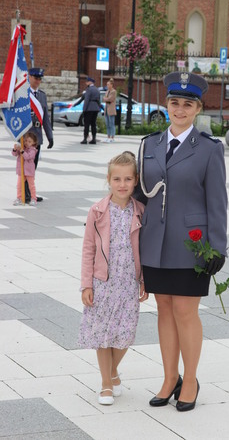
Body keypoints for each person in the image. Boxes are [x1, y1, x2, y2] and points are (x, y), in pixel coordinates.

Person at [136, 72, 228, 412]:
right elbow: (139, 194)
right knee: (163, 309)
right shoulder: (150, 144)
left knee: (186, 312)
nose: (180, 108)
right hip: (155, 243)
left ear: (198, 108)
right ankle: (169, 377)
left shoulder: (208, 149)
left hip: (192, 245)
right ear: (166, 105)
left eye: (187, 104)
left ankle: (190, 380)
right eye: (175, 102)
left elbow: (217, 202)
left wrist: (217, 246)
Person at [78, 151, 148, 406]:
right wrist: (86, 284)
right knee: (103, 335)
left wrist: (144, 281)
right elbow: (88, 248)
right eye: (117, 179)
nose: (122, 184)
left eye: (128, 179)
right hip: (103, 283)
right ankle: (106, 384)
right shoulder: (97, 212)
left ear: (135, 180)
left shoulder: (140, 211)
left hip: (129, 283)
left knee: (125, 334)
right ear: (109, 179)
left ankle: (113, 371)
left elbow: (146, 249)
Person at [28, 67, 54, 203]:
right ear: (30, 77)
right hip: (26, 137)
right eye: (36, 78)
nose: (38, 81)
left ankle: (31, 192)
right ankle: (25, 193)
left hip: (37, 136)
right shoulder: (24, 94)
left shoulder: (42, 95)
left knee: (34, 166)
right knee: (26, 166)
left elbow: (45, 119)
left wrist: (50, 137)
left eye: (40, 79)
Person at [12, 132, 38, 206]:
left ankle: (33, 198)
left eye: (29, 141)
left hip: (29, 171)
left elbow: (28, 157)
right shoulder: (22, 148)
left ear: (34, 142)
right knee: (19, 185)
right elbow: (14, 154)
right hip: (21, 170)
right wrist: (15, 149)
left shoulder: (33, 150)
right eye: (26, 141)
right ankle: (19, 198)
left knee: (31, 185)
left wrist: (22, 151)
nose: (27, 143)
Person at [74, 77, 100, 145]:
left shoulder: (89, 89)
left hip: (89, 108)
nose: (86, 83)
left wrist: (84, 109)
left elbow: (86, 100)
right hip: (95, 108)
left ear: (90, 82)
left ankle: (85, 139)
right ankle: (94, 139)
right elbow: (98, 100)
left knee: (87, 124)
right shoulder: (97, 89)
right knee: (93, 124)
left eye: (87, 82)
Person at [102, 78, 117, 143]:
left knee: (111, 123)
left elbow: (110, 99)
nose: (107, 86)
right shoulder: (107, 91)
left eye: (108, 84)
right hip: (106, 110)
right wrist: (106, 99)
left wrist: (106, 99)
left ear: (111, 85)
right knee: (107, 124)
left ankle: (112, 137)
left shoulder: (113, 91)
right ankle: (108, 136)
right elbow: (104, 98)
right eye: (107, 84)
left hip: (111, 110)